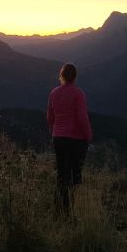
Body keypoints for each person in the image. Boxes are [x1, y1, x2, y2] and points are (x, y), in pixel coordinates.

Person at [46, 63, 93, 211]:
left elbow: (50, 116)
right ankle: (69, 207)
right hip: (75, 139)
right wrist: (88, 135)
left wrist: (53, 132)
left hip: (58, 138)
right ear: (75, 77)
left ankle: (58, 208)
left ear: (62, 75)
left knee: (62, 174)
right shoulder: (78, 94)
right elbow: (82, 117)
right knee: (75, 174)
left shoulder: (54, 93)